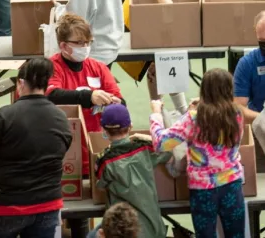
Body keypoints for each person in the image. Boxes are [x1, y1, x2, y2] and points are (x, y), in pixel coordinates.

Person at [0, 57, 72, 238]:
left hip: (7, 205)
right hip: (48, 204)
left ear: (20, 83)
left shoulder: (4, 115)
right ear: (46, 83)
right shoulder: (61, 118)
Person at [150, 69, 245, 238]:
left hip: (203, 190)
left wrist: (156, 113)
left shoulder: (194, 118)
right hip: (232, 184)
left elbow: (160, 143)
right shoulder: (237, 114)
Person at [47, 14, 122, 171]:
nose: (85, 47)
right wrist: (90, 97)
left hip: (97, 146)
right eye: (79, 43)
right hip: (66, 149)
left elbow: (120, 100)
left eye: (88, 42)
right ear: (63, 46)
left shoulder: (98, 67)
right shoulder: (52, 66)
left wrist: (115, 103)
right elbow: (52, 96)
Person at [96, 108, 168, 238]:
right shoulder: (145, 148)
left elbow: (100, 186)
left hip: (122, 231)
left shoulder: (105, 161)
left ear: (104, 130)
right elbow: (168, 149)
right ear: (130, 126)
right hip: (154, 227)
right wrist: (148, 138)